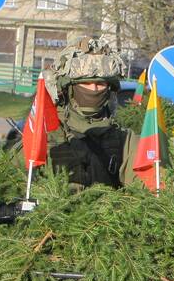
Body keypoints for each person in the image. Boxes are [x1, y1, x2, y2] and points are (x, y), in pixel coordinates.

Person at [42, 38, 129, 188]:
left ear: (109, 89)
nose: (93, 89)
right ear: (67, 88)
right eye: (85, 83)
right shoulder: (45, 135)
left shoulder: (124, 140)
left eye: (100, 84)